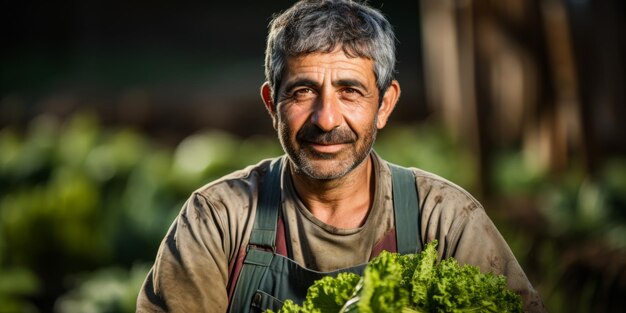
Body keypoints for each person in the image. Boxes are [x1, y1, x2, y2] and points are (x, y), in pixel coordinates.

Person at [137, 1, 545, 312]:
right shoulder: (218, 220)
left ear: (385, 105)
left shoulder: (444, 218)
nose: (326, 118)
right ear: (270, 103)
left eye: (350, 91)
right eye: (302, 92)